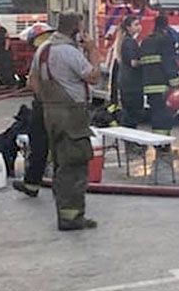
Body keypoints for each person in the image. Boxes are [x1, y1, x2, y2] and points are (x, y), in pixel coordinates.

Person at [29, 13, 101, 230]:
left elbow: (32, 80)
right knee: (75, 165)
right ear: (76, 30)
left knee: (60, 163)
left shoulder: (43, 49)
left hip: (50, 112)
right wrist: (93, 50)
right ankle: (72, 217)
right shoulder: (69, 52)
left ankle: (63, 212)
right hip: (72, 114)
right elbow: (94, 76)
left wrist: (47, 101)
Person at [12, 22, 53, 198]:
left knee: (39, 144)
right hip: (65, 105)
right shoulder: (65, 48)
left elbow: (32, 82)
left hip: (44, 104)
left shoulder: (41, 52)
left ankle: (32, 184)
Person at [140, 14, 179, 137]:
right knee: (165, 117)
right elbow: (169, 65)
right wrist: (177, 85)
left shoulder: (146, 41)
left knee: (156, 114)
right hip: (163, 86)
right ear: (165, 26)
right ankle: (163, 146)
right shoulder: (165, 41)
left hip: (148, 86)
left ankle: (158, 142)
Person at [114, 16, 144, 129]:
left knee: (129, 115)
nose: (139, 27)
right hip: (132, 85)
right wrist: (146, 62)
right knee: (132, 117)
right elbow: (133, 63)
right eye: (136, 25)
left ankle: (129, 143)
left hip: (127, 84)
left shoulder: (126, 41)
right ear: (128, 27)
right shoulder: (130, 42)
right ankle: (131, 144)